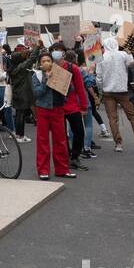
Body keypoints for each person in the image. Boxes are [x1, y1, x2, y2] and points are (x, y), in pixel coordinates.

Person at [96, 36, 134, 153]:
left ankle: (118, 143)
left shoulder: (101, 58)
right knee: (132, 116)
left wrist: (101, 89)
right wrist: (129, 53)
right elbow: (130, 64)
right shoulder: (123, 55)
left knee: (113, 119)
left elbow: (98, 78)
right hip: (123, 91)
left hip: (108, 92)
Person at [32, 52, 76, 180]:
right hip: (43, 109)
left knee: (61, 140)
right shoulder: (37, 75)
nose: (46, 63)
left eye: (48, 60)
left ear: (52, 62)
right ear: (40, 64)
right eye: (43, 61)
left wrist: (64, 94)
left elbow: (70, 89)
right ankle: (43, 170)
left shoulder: (59, 72)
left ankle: (62, 169)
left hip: (58, 109)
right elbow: (37, 93)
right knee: (43, 141)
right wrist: (46, 79)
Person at [50, 42, 90, 170]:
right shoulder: (49, 68)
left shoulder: (73, 68)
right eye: (54, 50)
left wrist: (84, 106)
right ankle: (65, 157)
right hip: (57, 107)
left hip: (72, 106)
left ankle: (75, 156)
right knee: (60, 135)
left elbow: (80, 88)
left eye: (59, 50)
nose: (56, 52)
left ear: (64, 52)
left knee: (79, 131)